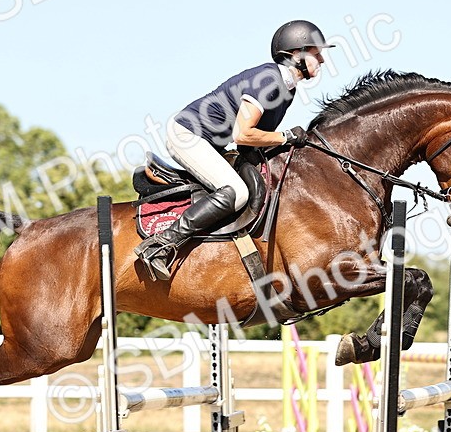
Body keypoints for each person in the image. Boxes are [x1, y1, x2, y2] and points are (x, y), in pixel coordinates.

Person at [134, 19, 334, 281]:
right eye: (317, 53)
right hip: (188, 135)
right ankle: (160, 245)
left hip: (210, 141)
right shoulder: (271, 81)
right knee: (236, 193)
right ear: (296, 54)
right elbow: (244, 134)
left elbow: (248, 143)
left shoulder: (287, 87)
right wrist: (285, 137)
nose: (322, 60)